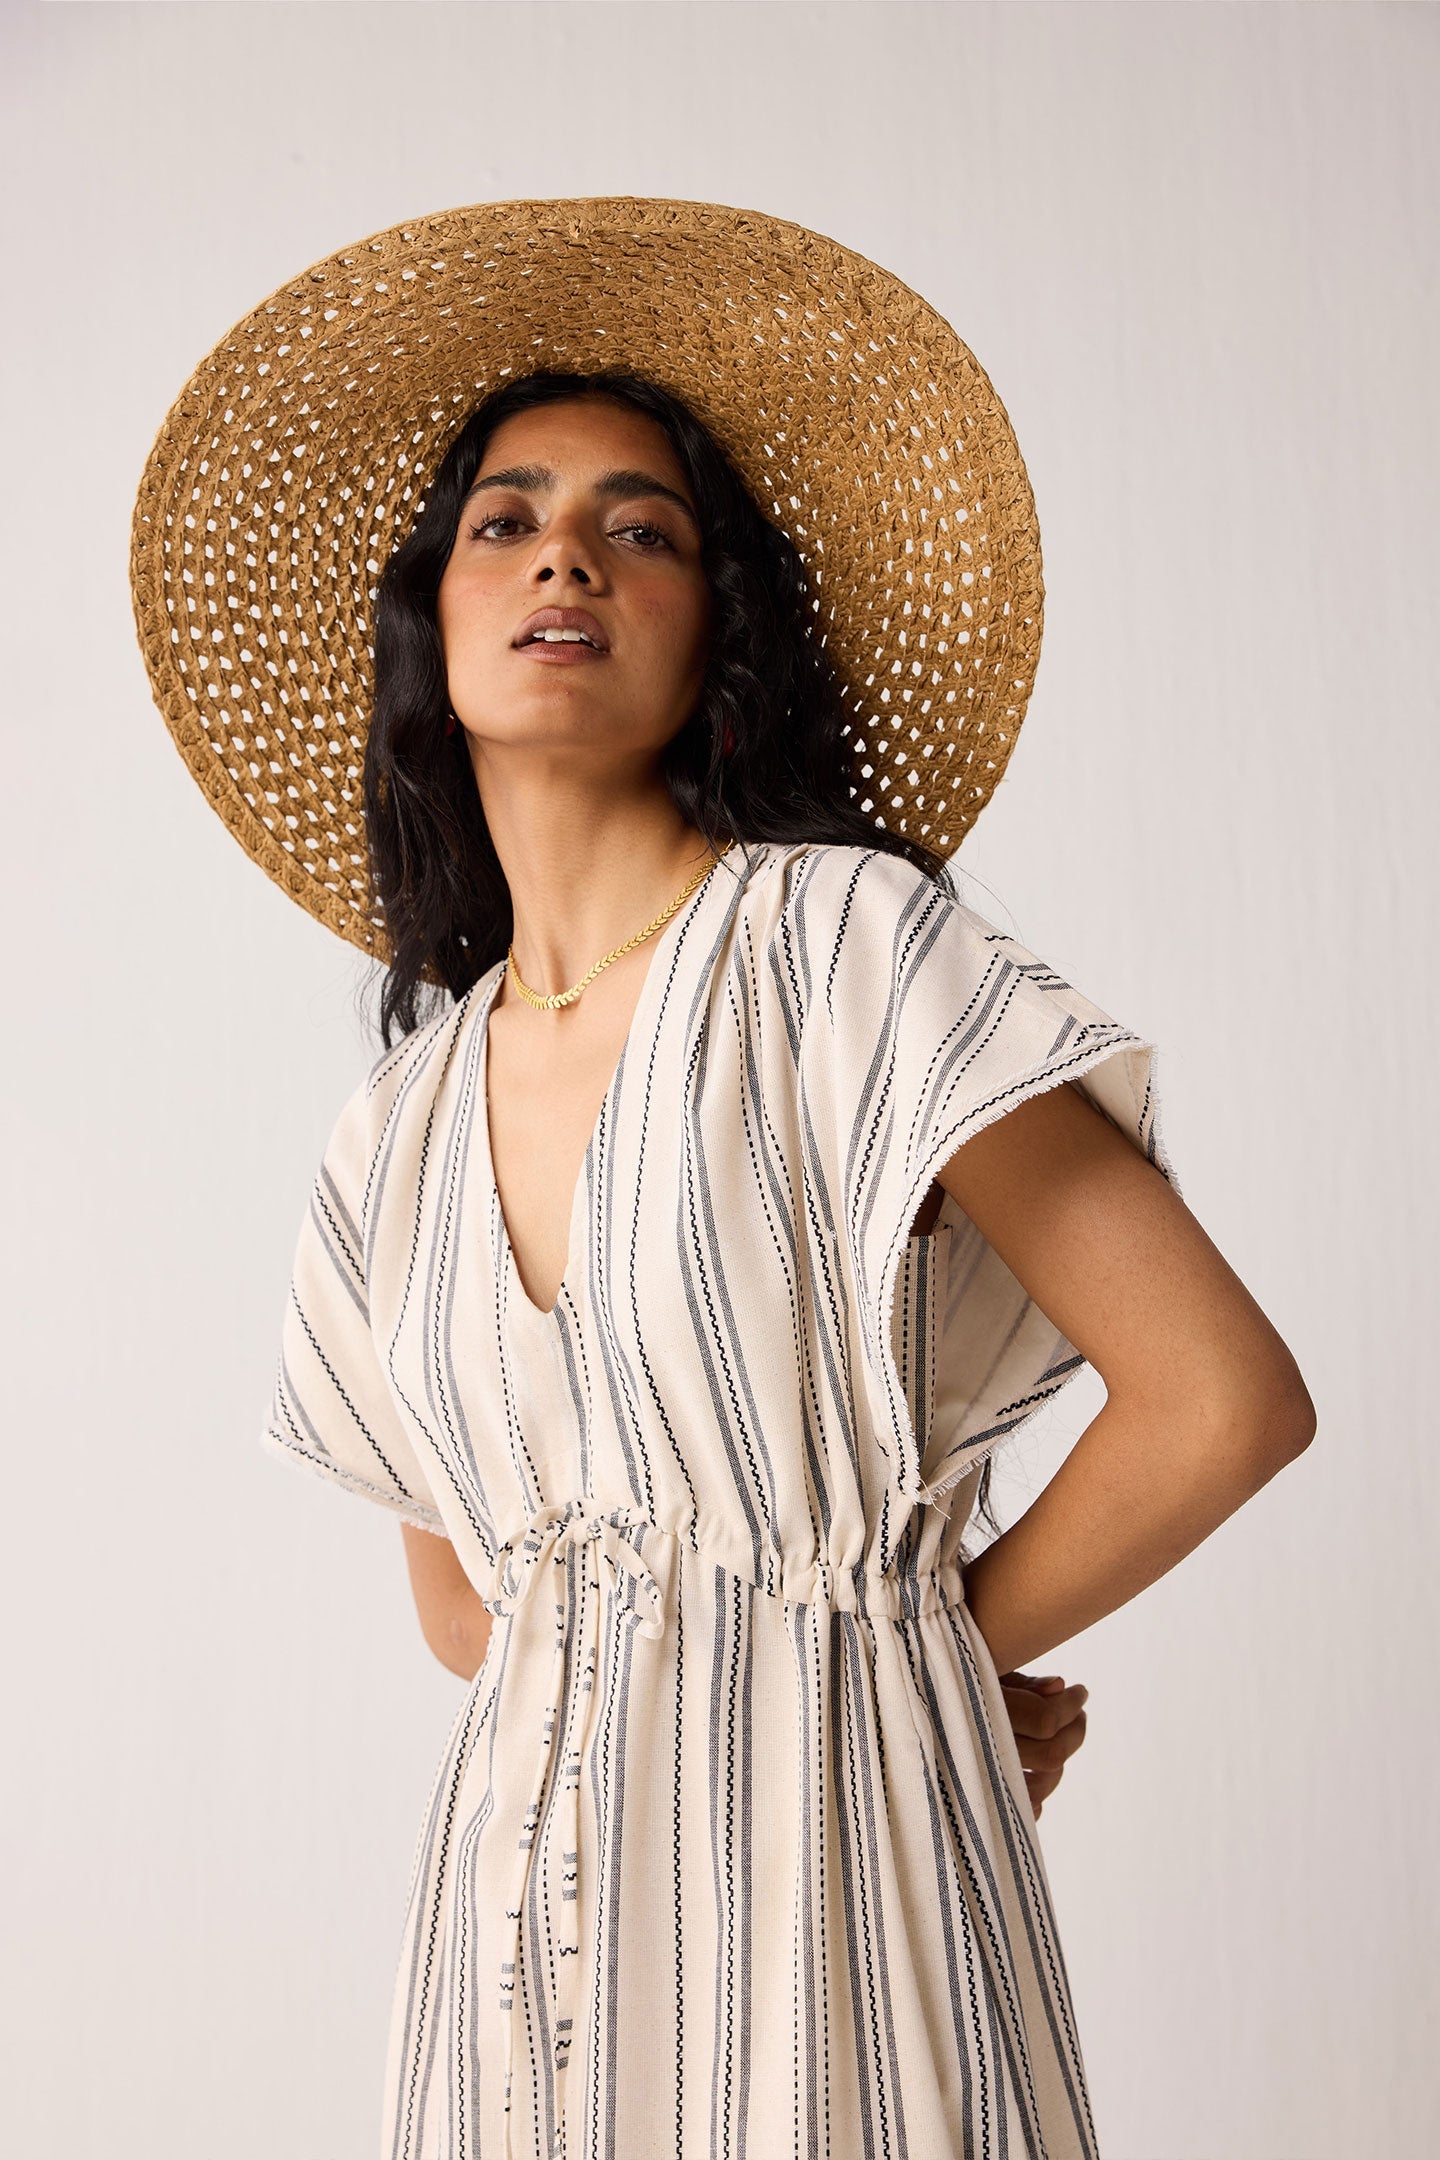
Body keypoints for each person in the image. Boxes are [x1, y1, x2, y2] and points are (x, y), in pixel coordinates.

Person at [130, 201, 1315, 2160]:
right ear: (437, 613)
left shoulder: (843, 954)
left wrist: (924, 1662)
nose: (565, 553)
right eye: (504, 520)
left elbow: (1218, 1397)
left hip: (852, 1915)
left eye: (641, 526)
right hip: (514, 1970)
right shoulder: (392, 1134)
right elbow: (473, 1605)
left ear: (719, 632)